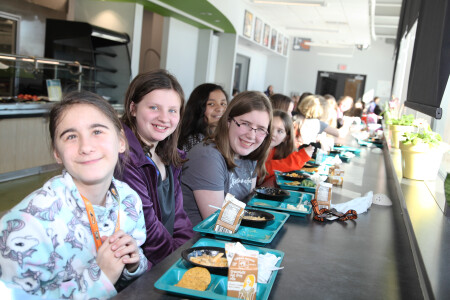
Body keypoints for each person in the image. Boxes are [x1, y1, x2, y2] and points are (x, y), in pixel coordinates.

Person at [0, 91, 148, 298]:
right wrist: (100, 278)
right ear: (57, 153)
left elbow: (137, 265)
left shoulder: (129, 200)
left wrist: (133, 263)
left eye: (97, 131)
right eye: (70, 136)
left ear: (121, 141)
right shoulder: (26, 225)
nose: (85, 147)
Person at [120, 70, 194, 268]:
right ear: (133, 108)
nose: (164, 118)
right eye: (154, 107)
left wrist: (188, 254)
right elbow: (148, 229)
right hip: (139, 268)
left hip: (167, 259)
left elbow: (179, 219)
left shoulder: (169, 155)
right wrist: (178, 264)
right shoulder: (124, 158)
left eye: (172, 110)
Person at [182, 91, 273, 225]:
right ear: (228, 121)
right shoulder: (207, 157)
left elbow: (249, 205)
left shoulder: (249, 155)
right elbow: (219, 223)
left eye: (260, 129)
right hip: (199, 241)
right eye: (245, 124)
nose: (251, 136)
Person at [263, 110, 313, 183]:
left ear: (286, 138)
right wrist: (299, 158)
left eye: (280, 131)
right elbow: (262, 171)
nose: (273, 133)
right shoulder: (254, 149)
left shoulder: (279, 151)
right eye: (270, 128)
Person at [178, 83, 228, 152]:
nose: (219, 108)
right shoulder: (196, 140)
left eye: (223, 104)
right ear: (197, 108)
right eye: (211, 104)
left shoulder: (223, 137)